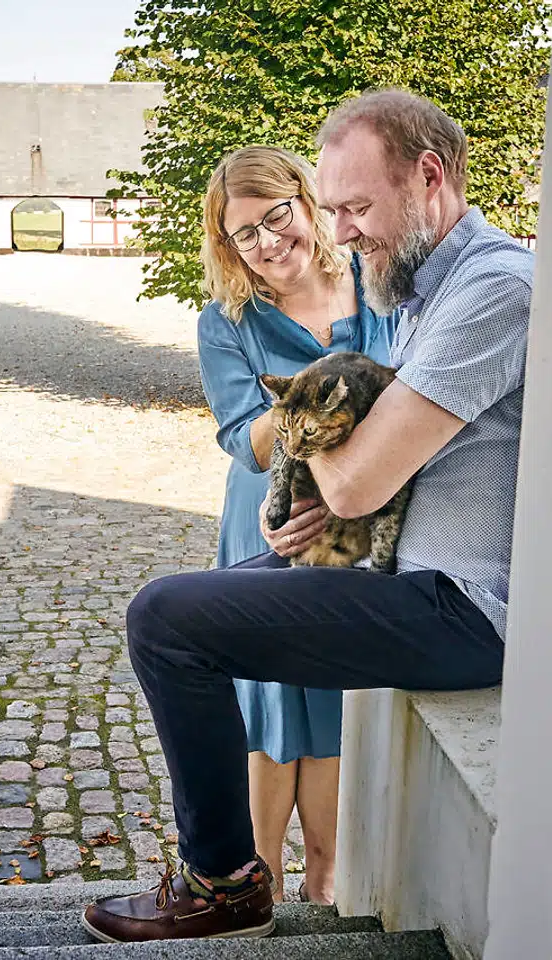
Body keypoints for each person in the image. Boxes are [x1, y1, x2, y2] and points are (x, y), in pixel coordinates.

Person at [81, 88, 535, 944]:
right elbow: (362, 463)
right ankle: (234, 870)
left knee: (167, 619)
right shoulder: (418, 283)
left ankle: (223, 885)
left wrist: (312, 426)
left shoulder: (493, 288)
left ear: (429, 177)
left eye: (356, 208)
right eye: (334, 211)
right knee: (183, 612)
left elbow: (360, 481)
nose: (346, 231)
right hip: (391, 565)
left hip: (462, 605)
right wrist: (319, 508)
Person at [195, 145, 389, 905]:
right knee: (271, 699)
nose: (269, 241)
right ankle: (258, 882)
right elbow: (243, 436)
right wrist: (324, 396)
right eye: (245, 233)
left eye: (277, 216)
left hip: (352, 526)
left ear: (306, 206)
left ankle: (329, 879)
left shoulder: (379, 288)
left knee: (335, 693)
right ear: (228, 245)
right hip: (270, 519)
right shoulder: (227, 321)